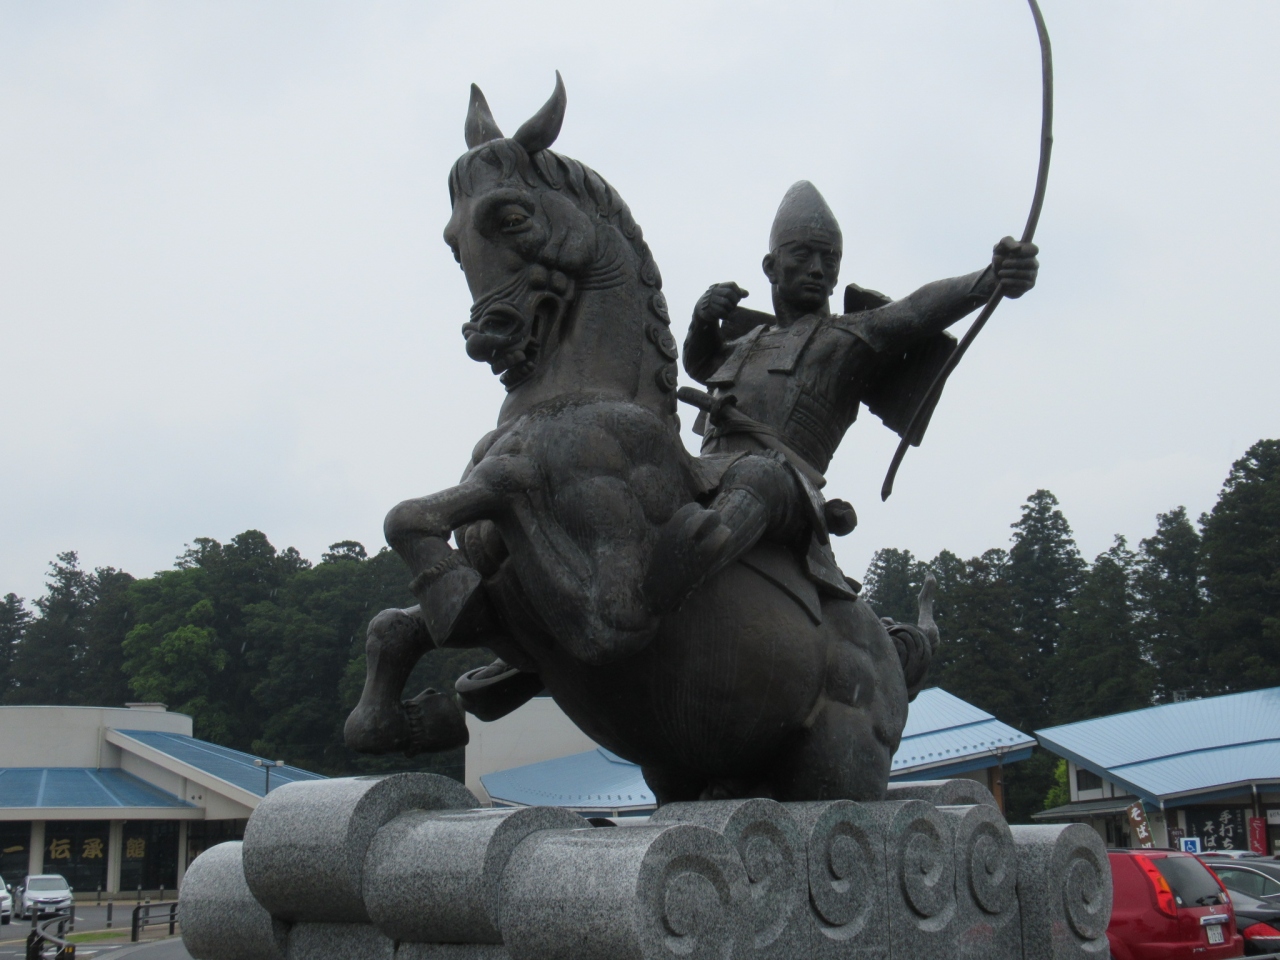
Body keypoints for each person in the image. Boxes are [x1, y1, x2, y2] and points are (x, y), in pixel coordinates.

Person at [645, 180, 1038, 611]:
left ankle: (670, 588)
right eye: (803, 255)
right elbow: (702, 364)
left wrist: (989, 278)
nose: (817, 268)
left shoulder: (848, 339)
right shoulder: (748, 341)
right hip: (707, 473)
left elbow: (914, 310)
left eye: (829, 259)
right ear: (771, 266)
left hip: (786, 491)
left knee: (760, 475)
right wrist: (702, 319)